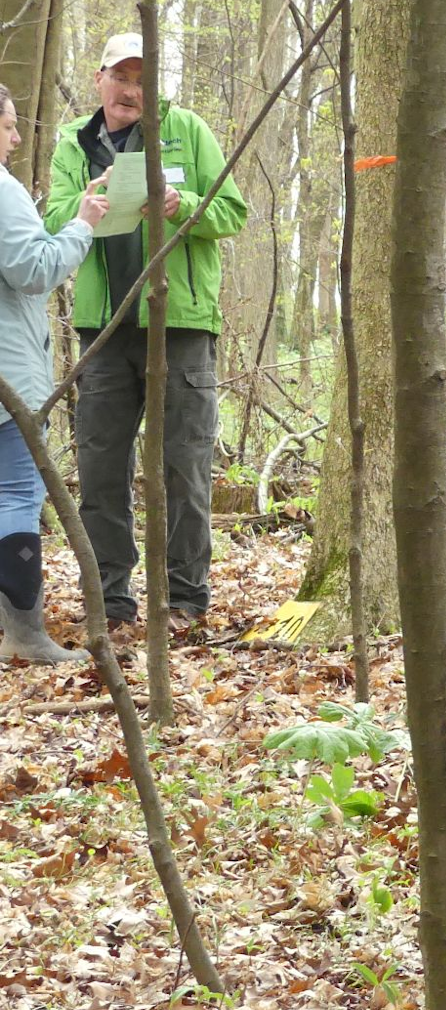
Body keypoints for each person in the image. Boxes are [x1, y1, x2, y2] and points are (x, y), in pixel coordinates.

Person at [45, 33, 247, 632]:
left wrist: (182, 205)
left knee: (184, 467)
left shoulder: (187, 130)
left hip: (178, 325)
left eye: (144, 77)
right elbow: (52, 219)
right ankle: (111, 600)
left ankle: (186, 600)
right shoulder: (74, 144)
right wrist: (84, 208)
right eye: (122, 75)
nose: (132, 88)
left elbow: (231, 212)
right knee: (102, 465)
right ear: (100, 79)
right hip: (103, 330)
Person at [1, 84, 109, 662]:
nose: (17, 139)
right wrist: (84, 224)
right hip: (9, 379)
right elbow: (33, 269)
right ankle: (24, 637)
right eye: (10, 126)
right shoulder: (1, 187)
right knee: (17, 494)